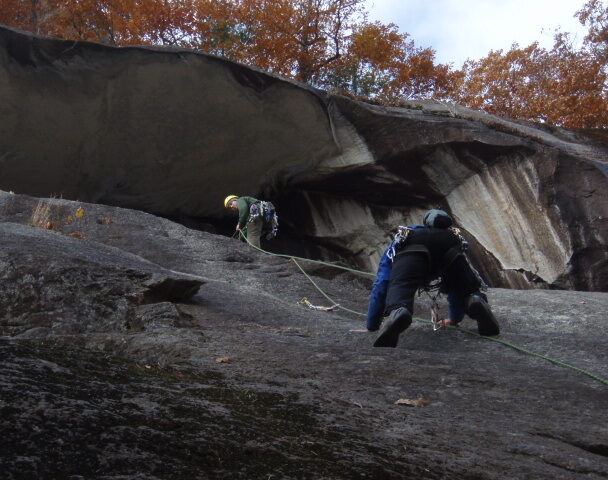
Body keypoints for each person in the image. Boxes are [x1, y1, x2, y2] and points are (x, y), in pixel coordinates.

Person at [367, 209, 500, 348]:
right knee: (465, 289)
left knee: (402, 285)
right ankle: (475, 299)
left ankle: (399, 311)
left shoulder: (408, 234)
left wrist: (372, 324)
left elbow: (382, 282)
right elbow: (456, 285)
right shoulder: (452, 236)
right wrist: (455, 319)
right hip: (450, 245)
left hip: (413, 247)